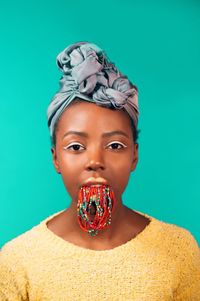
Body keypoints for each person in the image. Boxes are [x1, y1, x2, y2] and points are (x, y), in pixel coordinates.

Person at [0, 41, 199, 300]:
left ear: (134, 156)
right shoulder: (17, 260)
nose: (95, 161)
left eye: (115, 145)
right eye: (75, 146)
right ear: (56, 158)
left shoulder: (179, 250)